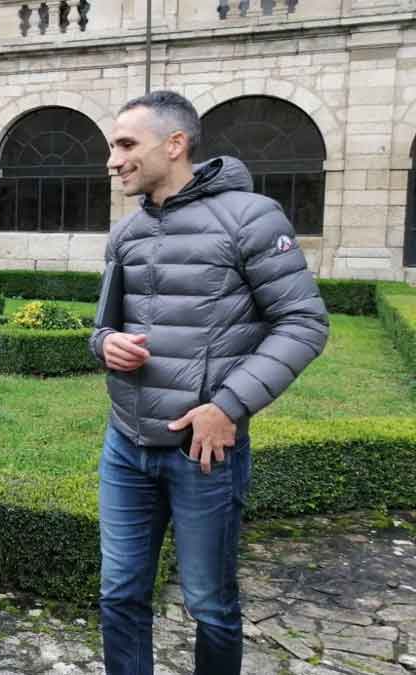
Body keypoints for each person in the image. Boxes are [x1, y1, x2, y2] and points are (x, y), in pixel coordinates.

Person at [93, 90, 329, 675]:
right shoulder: (126, 233)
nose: (112, 160)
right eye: (110, 146)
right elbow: (103, 326)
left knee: (210, 605)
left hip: (202, 453)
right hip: (125, 445)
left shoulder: (252, 217)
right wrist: (105, 345)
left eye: (125, 144)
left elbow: (303, 322)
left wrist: (227, 406)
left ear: (175, 145)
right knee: (120, 595)